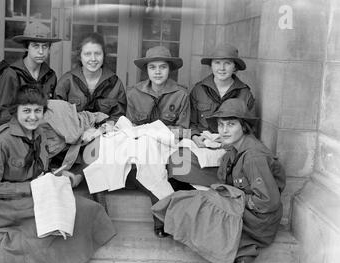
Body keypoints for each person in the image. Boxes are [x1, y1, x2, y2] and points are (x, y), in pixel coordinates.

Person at [0, 84, 116, 263]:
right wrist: (33, 187)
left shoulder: (40, 135)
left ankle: (70, 255)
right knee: (51, 223)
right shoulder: (0, 141)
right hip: (4, 203)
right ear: (15, 111)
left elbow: (40, 171)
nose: (32, 117)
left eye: (37, 111)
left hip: (35, 193)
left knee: (86, 208)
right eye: (26, 111)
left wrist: (57, 177)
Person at [201, 98, 285, 263]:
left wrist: (233, 201)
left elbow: (267, 202)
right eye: (221, 124)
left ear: (244, 126)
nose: (224, 130)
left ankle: (229, 258)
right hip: (248, 213)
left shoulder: (253, 156)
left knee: (207, 209)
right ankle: (243, 250)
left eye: (231, 124)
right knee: (200, 202)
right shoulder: (234, 150)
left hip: (260, 220)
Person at [125, 45, 191, 238]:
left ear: (170, 69)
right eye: (152, 67)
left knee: (162, 170)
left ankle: (164, 219)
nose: (158, 72)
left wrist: (158, 133)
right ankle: (165, 219)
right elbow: (130, 127)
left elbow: (184, 129)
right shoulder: (134, 93)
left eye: (162, 67)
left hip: (171, 145)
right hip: (143, 147)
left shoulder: (181, 94)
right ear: (146, 70)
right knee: (149, 167)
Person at [168, 43, 255, 187]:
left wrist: (229, 140)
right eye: (217, 63)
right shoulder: (199, 89)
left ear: (235, 67)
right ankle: (189, 195)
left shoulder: (245, 94)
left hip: (229, 147)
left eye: (227, 63)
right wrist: (196, 136)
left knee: (236, 163)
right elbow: (189, 122)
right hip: (201, 144)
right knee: (177, 159)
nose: (221, 68)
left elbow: (250, 129)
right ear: (211, 66)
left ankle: (220, 186)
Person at [53, 32, 126, 170]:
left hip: (104, 141)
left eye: (97, 53)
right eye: (87, 54)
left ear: (104, 55)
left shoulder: (115, 82)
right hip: (70, 141)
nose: (93, 59)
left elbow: (119, 117)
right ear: (79, 56)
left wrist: (100, 130)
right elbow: (58, 116)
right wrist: (81, 133)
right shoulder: (67, 81)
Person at [0, 21, 61, 130]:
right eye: (35, 46)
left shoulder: (50, 75)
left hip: (41, 129)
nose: (41, 51)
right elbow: (2, 115)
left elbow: (51, 109)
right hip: (15, 129)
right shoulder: (12, 74)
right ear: (27, 47)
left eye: (45, 46)